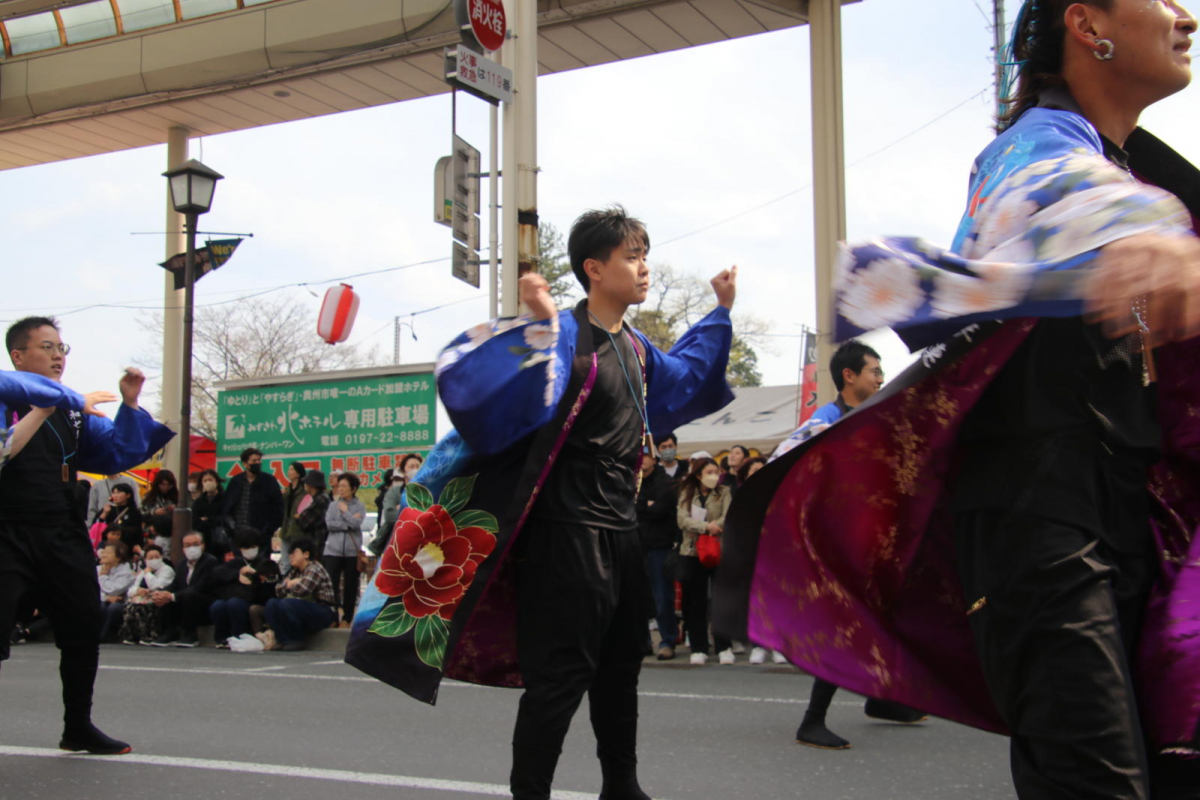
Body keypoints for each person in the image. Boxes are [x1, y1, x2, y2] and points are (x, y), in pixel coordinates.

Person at [716, 1, 1200, 796]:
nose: (1183, 14)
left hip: (1124, 520)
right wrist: (1139, 223)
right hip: (1041, 524)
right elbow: (1048, 189)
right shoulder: (1036, 152)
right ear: (1087, 24)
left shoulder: (1130, 169)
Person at [347, 206, 737, 800]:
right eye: (632, 256)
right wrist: (538, 324)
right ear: (594, 268)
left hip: (622, 529)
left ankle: (622, 786)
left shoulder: (634, 348)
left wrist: (721, 313)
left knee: (620, 668)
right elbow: (492, 393)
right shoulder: (567, 337)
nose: (644, 267)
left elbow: (687, 372)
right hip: (566, 530)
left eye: (644, 254)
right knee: (562, 676)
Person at [0, 315, 173, 755]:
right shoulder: (7, 397)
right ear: (18, 356)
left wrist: (129, 406)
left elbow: (117, 451)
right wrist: (44, 404)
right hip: (6, 529)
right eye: (47, 347)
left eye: (62, 347)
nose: (58, 355)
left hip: (61, 530)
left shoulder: (73, 412)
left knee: (82, 625)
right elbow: (4, 450)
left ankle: (77, 725)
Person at [675, 457, 732, 666]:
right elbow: (682, 520)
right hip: (692, 551)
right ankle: (698, 647)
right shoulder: (687, 493)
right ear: (699, 475)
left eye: (716, 472)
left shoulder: (724, 492)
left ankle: (724, 646)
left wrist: (716, 526)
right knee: (696, 601)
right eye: (709, 472)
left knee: (720, 600)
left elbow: (729, 515)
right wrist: (705, 527)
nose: (713, 476)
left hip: (718, 550)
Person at [635, 448, 681, 660]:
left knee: (663, 597)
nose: (642, 460)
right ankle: (642, 642)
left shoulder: (666, 482)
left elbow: (660, 509)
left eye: (645, 455)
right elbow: (629, 505)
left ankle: (667, 639)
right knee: (638, 598)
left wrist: (642, 505)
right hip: (636, 545)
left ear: (654, 458)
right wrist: (645, 504)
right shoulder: (631, 480)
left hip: (659, 545)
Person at [264, 537, 336, 651]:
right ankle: (282, 639)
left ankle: (294, 639)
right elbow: (278, 591)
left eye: (294, 553)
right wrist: (292, 583)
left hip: (323, 610)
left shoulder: (314, 568)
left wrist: (291, 584)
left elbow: (302, 590)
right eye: (290, 554)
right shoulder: (294, 571)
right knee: (272, 604)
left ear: (306, 554)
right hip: (304, 607)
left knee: (286, 604)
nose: (291, 556)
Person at [208, 527, 275, 648]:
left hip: (255, 599)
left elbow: (269, 586)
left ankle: (241, 635)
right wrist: (238, 574)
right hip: (236, 595)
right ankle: (222, 638)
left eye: (253, 547)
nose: (250, 550)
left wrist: (255, 575)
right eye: (246, 547)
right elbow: (216, 573)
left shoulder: (264, 563)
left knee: (235, 604)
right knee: (218, 606)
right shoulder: (237, 563)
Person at [151, 531, 217, 648]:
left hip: (204, 601)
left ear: (203, 545)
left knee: (188, 595)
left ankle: (190, 634)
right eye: (187, 545)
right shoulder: (182, 564)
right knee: (166, 595)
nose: (191, 548)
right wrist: (162, 593)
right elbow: (175, 584)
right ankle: (170, 632)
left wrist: (172, 596)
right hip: (184, 599)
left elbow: (201, 586)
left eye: (195, 544)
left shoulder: (210, 561)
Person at [323, 471, 366, 627]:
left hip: (351, 552)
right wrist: (347, 521)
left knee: (350, 586)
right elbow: (329, 524)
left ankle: (347, 618)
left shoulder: (359, 506)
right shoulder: (332, 505)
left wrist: (345, 512)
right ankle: (332, 617)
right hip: (332, 551)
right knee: (331, 585)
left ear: (353, 488)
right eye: (339, 485)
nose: (340, 488)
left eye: (344, 486)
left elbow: (356, 524)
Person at [222, 448, 283, 552]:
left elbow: (278, 508)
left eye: (259, 460)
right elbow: (227, 507)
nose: (257, 463)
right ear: (245, 463)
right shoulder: (236, 481)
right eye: (254, 461)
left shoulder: (269, 481)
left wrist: (268, 530)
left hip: (261, 535)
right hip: (238, 534)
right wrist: (231, 529)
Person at [117, 542, 174, 646]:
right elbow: (131, 589)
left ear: (161, 557)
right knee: (130, 606)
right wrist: (137, 590)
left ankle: (148, 634)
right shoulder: (143, 571)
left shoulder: (167, 570)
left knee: (142, 608)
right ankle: (131, 634)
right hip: (143, 597)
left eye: (156, 557)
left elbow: (156, 586)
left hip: (158, 597)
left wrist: (148, 574)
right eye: (150, 557)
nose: (153, 560)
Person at [97, 541, 134, 643]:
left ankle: (103, 636)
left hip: (121, 601)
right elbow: (91, 589)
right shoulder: (97, 569)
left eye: (108, 553)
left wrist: (103, 576)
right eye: (103, 552)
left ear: (118, 557)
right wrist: (106, 597)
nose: (103, 555)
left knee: (114, 608)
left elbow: (114, 590)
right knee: (100, 606)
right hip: (103, 600)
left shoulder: (126, 572)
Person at [94, 482, 143, 552]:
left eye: (118, 492)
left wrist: (136, 552)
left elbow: (138, 533)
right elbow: (96, 526)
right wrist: (104, 514)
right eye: (113, 493)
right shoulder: (108, 508)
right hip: (107, 545)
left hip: (127, 546)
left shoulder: (133, 512)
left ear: (128, 495)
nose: (115, 495)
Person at [191, 469, 228, 556]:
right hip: (204, 541)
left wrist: (207, 519)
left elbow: (226, 518)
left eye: (210, 480)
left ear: (217, 482)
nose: (208, 482)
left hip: (222, 541)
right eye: (205, 480)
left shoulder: (226, 499)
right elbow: (195, 521)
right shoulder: (198, 502)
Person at [294, 469, 331, 558]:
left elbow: (304, 522)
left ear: (312, 485)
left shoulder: (320, 499)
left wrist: (299, 517)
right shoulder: (320, 497)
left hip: (318, 541)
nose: (305, 485)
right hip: (317, 541)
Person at [279, 461, 308, 553]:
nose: (289, 472)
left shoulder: (305, 490)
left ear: (298, 473)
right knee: (285, 559)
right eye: (288, 469)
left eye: (292, 469)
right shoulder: (287, 490)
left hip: (298, 527)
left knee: (297, 555)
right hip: (286, 525)